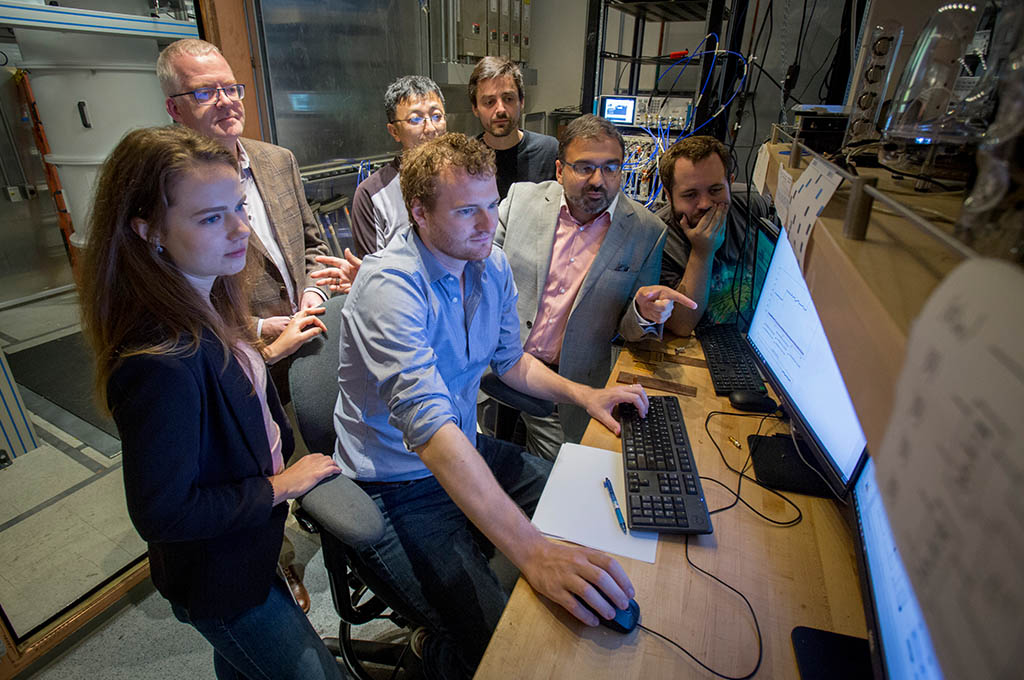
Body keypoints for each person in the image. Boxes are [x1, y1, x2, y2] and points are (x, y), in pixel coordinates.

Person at [332, 132, 646, 680]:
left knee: (595, 511)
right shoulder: (390, 287)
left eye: (491, 204)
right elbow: (429, 429)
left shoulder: (489, 263)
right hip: (397, 483)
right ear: (419, 213)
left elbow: (510, 361)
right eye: (466, 211)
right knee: (503, 647)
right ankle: (432, 652)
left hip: (466, 448)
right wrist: (534, 553)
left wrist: (585, 394)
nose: (487, 223)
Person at [78, 125, 342, 680]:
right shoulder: (157, 362)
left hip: (251, 542)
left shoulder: (209, 295)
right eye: (210, 218)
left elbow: (220, 389)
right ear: (149, 231)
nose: (242, 228)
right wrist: (282, 485)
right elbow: (163, 512)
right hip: (221, 572)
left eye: (238, 207)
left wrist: (265, 348)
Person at [495, 114, 696, 460]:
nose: (598, 180)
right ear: (560, 170)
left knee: (549, 480)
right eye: (585, 167)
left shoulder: (646, 231)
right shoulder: (520, 200)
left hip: (564, 393)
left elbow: (629, 332)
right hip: (494, 373)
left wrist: (643, 313)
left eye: (610, 168)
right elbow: (480, 273)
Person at [156, 38, 330, 401]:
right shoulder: (168, 186)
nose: (225, 101)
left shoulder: (278, 160)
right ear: (174, 108)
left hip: (311, 344)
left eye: (230, 88)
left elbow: (314, 247)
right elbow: (172, 294)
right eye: (205, 92)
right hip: (237, 363)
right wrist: (261, 328)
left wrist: (314, 292)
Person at [655, 135, 770, 337]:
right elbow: (682, 324)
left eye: (715, 190)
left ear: (730, 183)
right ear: (669, 195)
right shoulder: (657, 238)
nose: (705, 204)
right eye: (690, 195)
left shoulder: (752, 205)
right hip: (698, 346)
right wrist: (702, 252)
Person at [346, 75, 447, 258]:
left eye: (437, 116)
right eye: (415, 119)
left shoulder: (466, 178)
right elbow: (374, 269)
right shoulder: (373, 193)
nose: (431, 128)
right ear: (394, 131)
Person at [469, 56, 558, 198]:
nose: (500, 109)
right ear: (475, 108)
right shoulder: (465, 157)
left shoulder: (549, 152)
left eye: (508, 99)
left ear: (521, 102)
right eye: (489, 102)